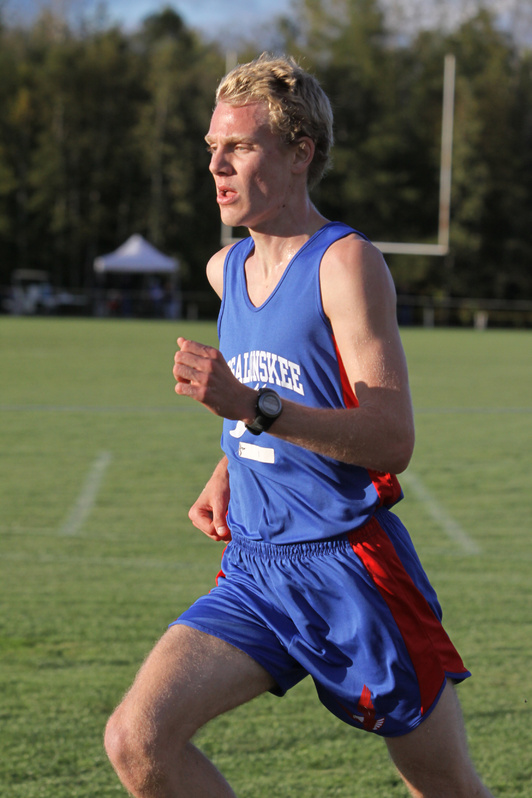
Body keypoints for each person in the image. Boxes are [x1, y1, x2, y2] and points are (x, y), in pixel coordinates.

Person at [104, 53, 494, 798]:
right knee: (137, 739)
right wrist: (230, 463)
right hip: (255, 568)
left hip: (353, 571)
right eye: (212, 148)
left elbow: (390, 438)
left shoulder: (346, 264)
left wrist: (251, 409)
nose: (216, 164)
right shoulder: (227, 270)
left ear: (299, 153)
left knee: (442, 784)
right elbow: (273, 396)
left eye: (239, 147)